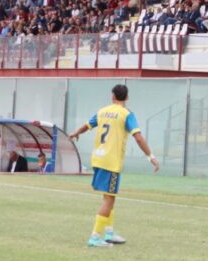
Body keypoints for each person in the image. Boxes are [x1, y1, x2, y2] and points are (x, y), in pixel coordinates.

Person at [68, 84, 160, 248]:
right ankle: (95, 236)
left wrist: (75, 133)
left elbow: (87, 125)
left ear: (112, 96)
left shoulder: (103, 111)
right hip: (111, 162)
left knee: (109, 197)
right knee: (109, 199)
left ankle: (109, 233)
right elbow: (138, 138)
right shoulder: (126, 114)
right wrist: (150, 157)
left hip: (98, 159)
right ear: (127, 97)